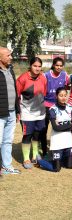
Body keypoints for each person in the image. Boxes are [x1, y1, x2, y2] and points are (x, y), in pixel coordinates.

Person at [16, 57, 47, 169]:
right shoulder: (22, 78)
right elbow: (17, 95)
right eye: (35, 66)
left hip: (40, 113)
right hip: (26, 114)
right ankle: (26, 158)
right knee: (27, 135)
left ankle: (35, 155)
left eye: (39, 66)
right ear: (30, 65)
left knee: (37, 134)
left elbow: (44, 93)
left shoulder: (43, 78)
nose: (37, 68)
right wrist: (17, 112)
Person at [37, 87, 72, 172]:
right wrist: (69, 124)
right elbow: (55, 127)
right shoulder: (52, 109)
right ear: (56, 96)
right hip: (57, 142)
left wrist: (62, 126)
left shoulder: (71, 108)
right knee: (56, 169)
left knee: (70, 166)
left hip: (68, 141)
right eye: (61, 95)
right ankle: (40, 161)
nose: (63, 97)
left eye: (65, 95)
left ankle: (57, 160)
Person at [41, 57, 69, 156]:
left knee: (57, 129)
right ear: (53, 65)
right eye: (57, 65)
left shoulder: (65, 75)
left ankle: (57, 149)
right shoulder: (46, 75)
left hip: (58, 107)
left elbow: (68, 86)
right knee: (43, 129)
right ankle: (44, 151)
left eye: (61, 66)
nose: (59, 67)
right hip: (46, 106)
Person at [0, 47, 21, 175]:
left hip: (12, 112)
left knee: (8, 141)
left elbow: (15, 91)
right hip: (0, 114)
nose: (11, 57)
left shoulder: (10, 69)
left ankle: (7, 166)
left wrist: (17, 110)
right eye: (8, 55)